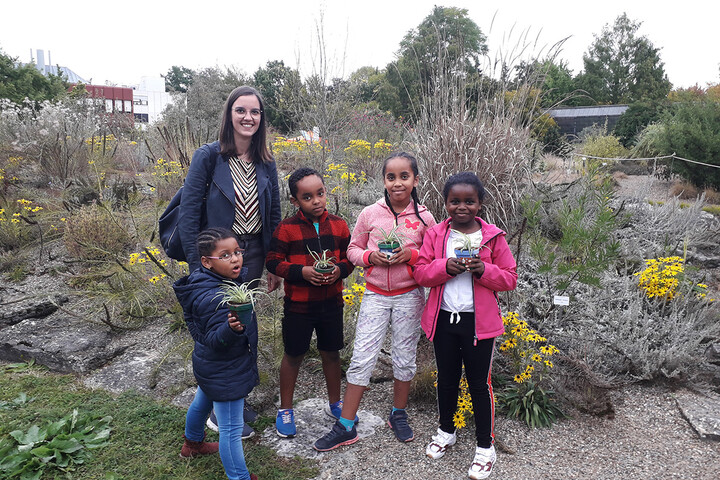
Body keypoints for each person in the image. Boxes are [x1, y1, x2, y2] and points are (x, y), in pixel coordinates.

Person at [313, 152, 436, 452]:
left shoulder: (424, 217)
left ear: (416, 180)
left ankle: (398, 413)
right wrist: (370, 256)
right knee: (363, 356)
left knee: (405, 356)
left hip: (409, 296)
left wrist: (413, 255)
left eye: (404, 176)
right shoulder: (370, 214)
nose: (397, 183)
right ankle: (345, 424)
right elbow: (352, 250)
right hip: (376, 295)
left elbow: (433, 256)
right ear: (383, 180)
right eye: (390, 177)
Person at [177, 85, 281, 436]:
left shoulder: (266, 161)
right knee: (218, 328)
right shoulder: (209, 156)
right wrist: (197, 268)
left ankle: (236, 398)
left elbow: (275, 216)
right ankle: (220, 412)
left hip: (250, 255)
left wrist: (273, 263)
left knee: (245, 327)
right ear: (229, 114)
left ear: (261, 118)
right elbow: (189, 215)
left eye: (254, 112)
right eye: (241, 111)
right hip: (216, 259)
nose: (248, 117)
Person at [414, 172, 517, 480]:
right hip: (444, 319)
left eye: (469, 201)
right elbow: (420, 272)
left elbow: (510, 278)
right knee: (446, 379)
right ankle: (447, 431)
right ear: (445, 203)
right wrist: (444, 267)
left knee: (478, 385)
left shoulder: (493, 238)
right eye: (454, 201)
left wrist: (483, 269)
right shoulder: (435, 234)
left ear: (480, 204)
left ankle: (485, 447)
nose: (461, 207)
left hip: (478, 324)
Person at [265, 167, 354, 438]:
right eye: (307, 197)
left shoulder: (338, 224)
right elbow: (273, 261)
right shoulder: (287, 229)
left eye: (320, 193)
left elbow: (350, 257)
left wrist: (340, 269)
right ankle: (286, 409)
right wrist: (301, 272)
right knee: (293, 355)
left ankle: (334, 403)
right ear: (295, 201)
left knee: (332, 353)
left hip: (331, 303)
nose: (316, 201)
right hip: (298, 306)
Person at [173, 227, 259, 480]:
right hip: (225, 369)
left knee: (202, 401)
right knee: (231, 429)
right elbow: (214, 339)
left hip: (211, 366)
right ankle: (239, 477)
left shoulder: (207, 282)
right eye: (225, 255)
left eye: (237, 252)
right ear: (206, 262)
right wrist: (230, 330)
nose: (235, 259)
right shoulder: (216, 297)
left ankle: (192, 445)